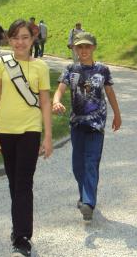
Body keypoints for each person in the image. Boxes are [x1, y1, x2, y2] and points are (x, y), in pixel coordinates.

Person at [0, 19, 53, 257]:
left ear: (32, 39)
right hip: (5, 130)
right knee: (14, 184)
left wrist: (47, 135)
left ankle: (22, 240)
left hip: (29, 131)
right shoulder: (1, 64)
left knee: (23, 183)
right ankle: (18, 228)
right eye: (15, 38)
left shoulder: (41, 67)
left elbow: (45, 102)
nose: (20, 42)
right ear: (9, 40)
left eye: (25, 37)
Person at [52, 32, 121, 221]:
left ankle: (89, 203)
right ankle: (84, 196)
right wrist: (56, 101)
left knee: (91, 162)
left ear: (93, 48)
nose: (83, 50)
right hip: (77, 124)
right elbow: (60, 89)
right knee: (78, 165)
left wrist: (117, 114)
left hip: (96, 125)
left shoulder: (102, 70)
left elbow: (110, 92)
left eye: (87, 46)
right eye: (80, 47)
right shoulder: (71, 69)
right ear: (75, 49)